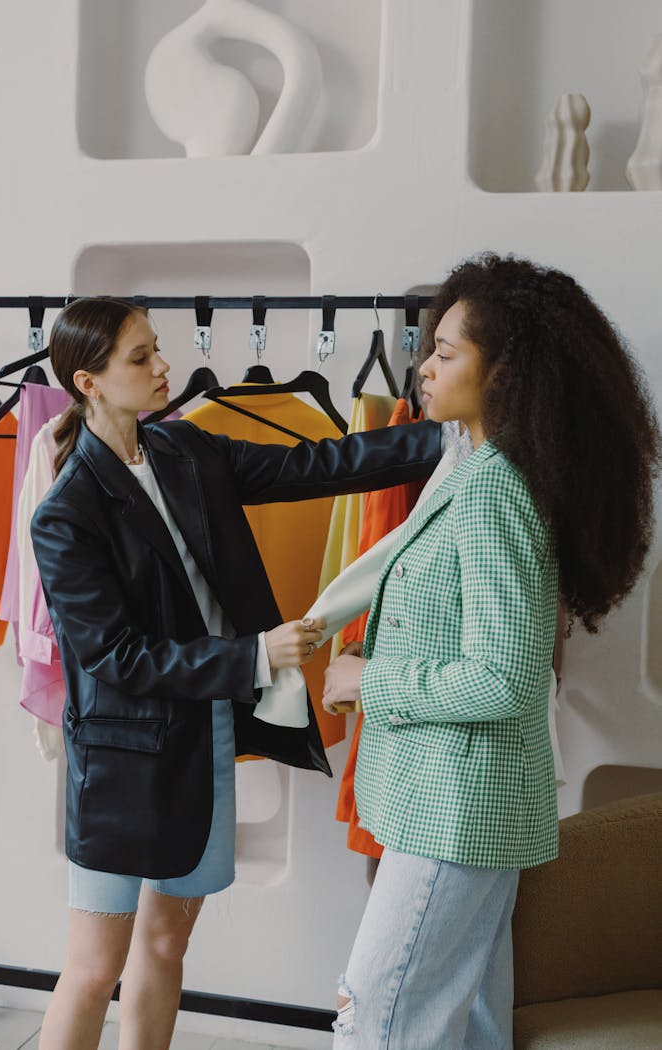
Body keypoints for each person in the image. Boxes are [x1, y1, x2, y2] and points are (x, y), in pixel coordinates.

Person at [29, 296, 441, 1050]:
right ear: (88, 383)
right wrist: (253, 657)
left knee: (165, 947)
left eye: (158, 348)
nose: (164, 368)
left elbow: (322, 464)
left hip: (204, 739)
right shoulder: (66, 512)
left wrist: (451, 435)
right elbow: (113, 658)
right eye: (141, 358)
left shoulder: (191, 450)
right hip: (119, 771)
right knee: (92, 971)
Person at [322, 252, 661, 1049]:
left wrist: (371, 677)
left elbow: (505, 679)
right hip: (450, 801)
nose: (424, 366)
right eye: (430, 348)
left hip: (459, 808)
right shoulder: (462, 464)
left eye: (446, 352)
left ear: (506, 372)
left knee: (377, 1021)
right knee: (471, 1021)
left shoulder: (495, 491)